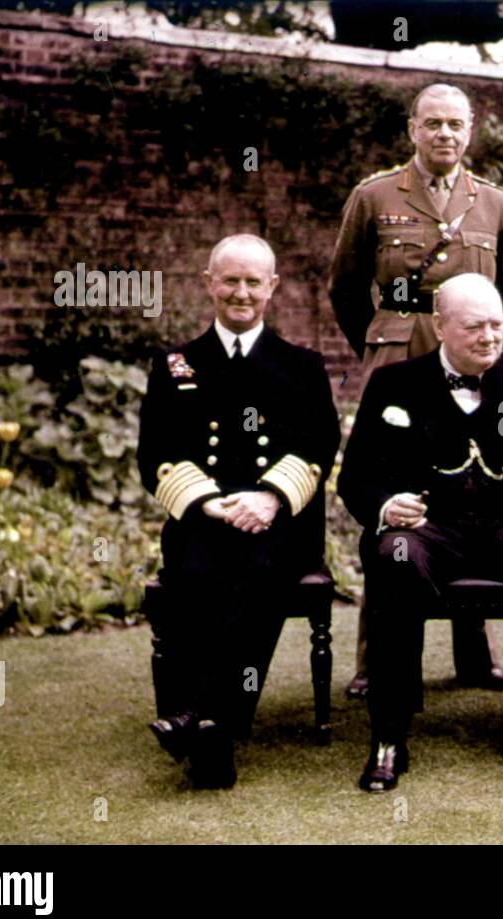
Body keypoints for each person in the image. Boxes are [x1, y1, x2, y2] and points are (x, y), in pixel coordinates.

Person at [337, 273, 503, 793]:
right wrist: (387, 505)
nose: (489, 337)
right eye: (475, 326)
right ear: (439, 325)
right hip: (429, 531)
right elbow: (355, 478)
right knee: (394, 558)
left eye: (497, 325)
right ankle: (389, 733)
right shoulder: (396, 384)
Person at [328, 82, 503, 697]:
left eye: (455, 125)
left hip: (469, 357)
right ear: (412, 129)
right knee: (393, 497)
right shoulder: (375, 195)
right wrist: (386, 339)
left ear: (471, 131)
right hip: (398, 350)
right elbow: (344, 286)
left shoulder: (494, 204)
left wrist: (476, 347)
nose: (444, 134)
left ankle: (474, 652)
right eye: (432, 123)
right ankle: (375, 660)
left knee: (473, 487)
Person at [138, 234, 340, 789]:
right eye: (230, 280)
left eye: (254, 281)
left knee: (257, 576)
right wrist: (211, 502)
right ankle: (212, 725)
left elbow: (320, 445)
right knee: (195, 571)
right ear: (209, 283)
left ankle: (201, 719)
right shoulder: (176, 362)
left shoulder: (301, 364)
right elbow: (154, 453)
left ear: (272, 287)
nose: (241, 292)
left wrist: (269, 496)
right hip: (205, 517)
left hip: (281, 522)